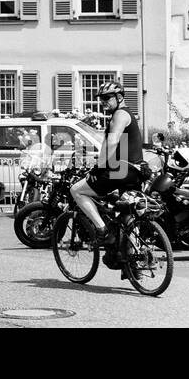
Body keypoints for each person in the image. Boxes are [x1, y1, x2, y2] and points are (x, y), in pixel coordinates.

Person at [68, 80, 142, 272]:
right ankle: (135, 261)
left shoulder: (120, 114)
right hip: (135, 171)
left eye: (107, 98)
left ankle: (102, 230)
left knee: (76, 190)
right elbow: (108, 145)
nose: (103, 102)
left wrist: (99, 168)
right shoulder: (127, 115)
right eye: (101, 99)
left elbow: (112, 142)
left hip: (120, 171)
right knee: (127, 213)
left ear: (119, 97)